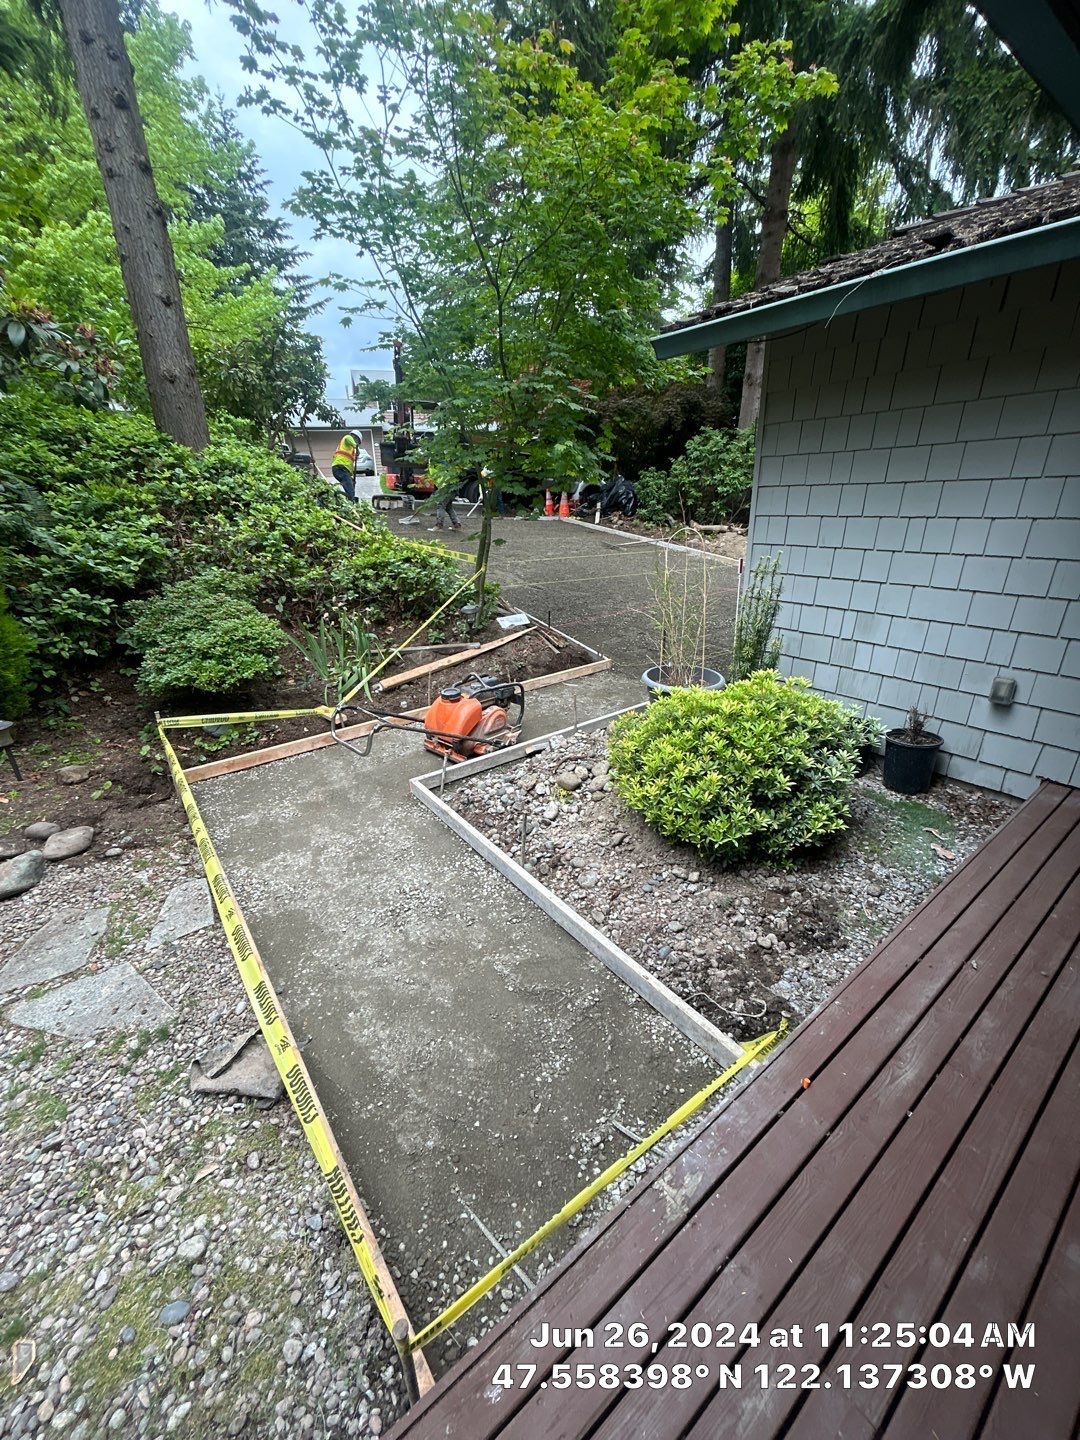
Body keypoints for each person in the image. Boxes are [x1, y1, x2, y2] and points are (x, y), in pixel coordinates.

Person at [331, 431, 362, 501]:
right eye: (357, 441)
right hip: (340, 468)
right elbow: (349, 440)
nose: (357, 444)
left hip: (343, 470)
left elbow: (349, 464)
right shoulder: (347, 437)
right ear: (355, 437)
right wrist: (356, 447)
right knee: (350, 491)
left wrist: (351, 477)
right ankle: (351, 504)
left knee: (349, 486)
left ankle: (346, 501)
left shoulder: (350, 449)